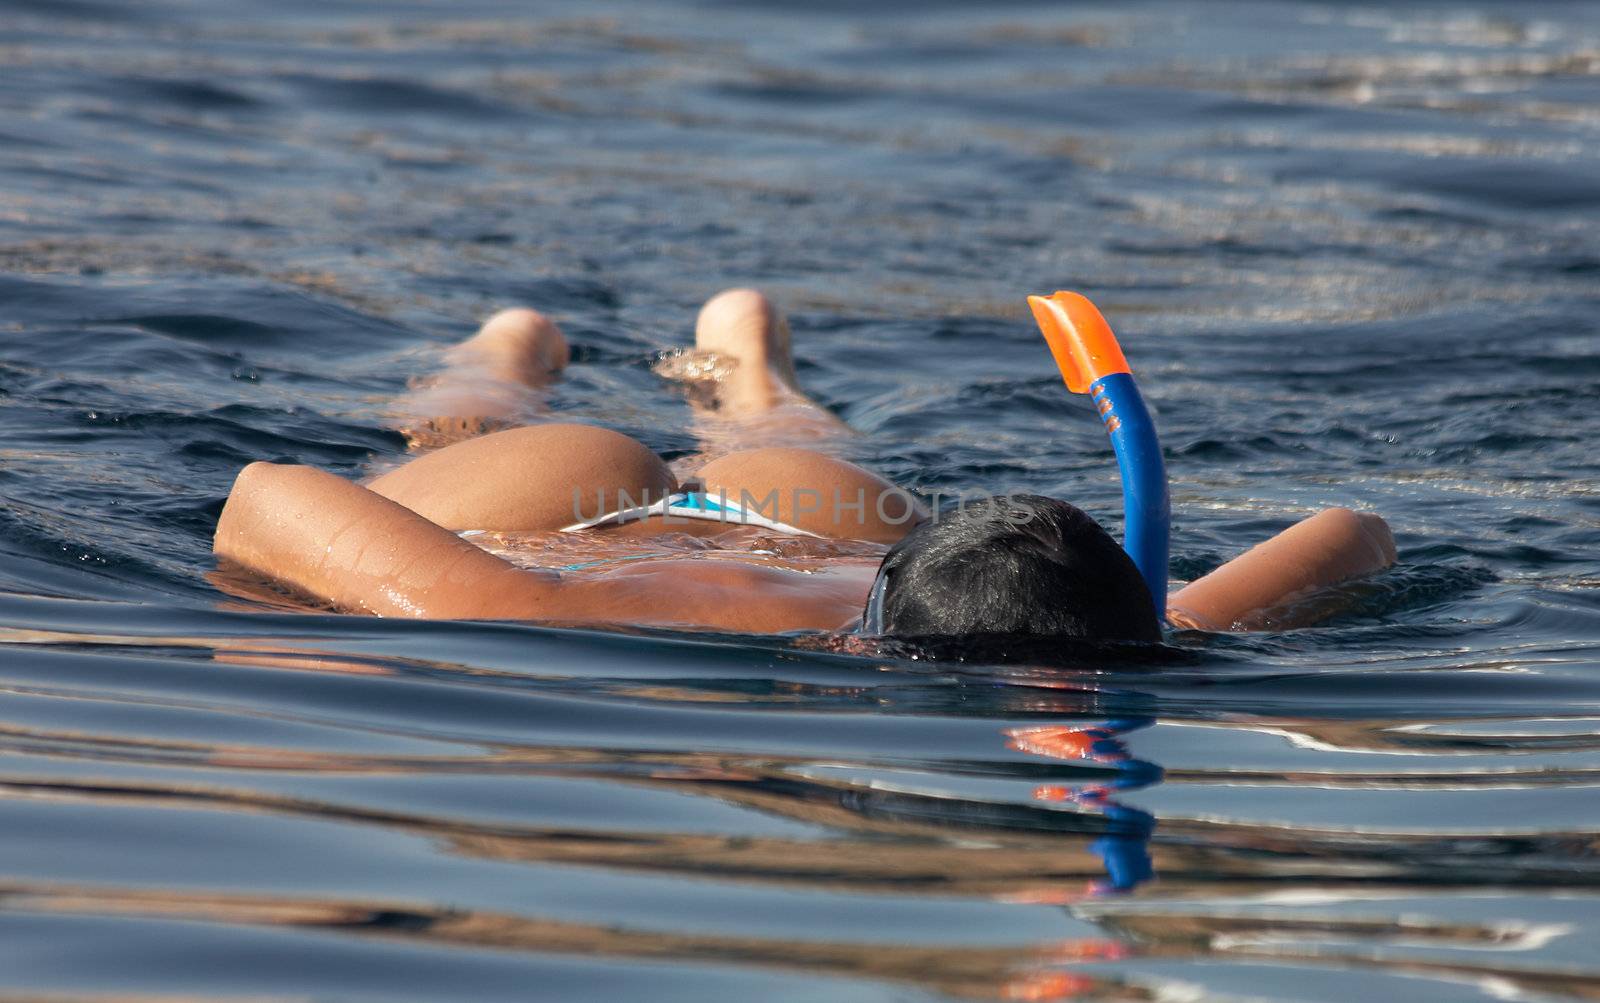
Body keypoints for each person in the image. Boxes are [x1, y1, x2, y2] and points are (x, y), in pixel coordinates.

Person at [212, 289, 1396, 639]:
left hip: (809, 530)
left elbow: (1351, 527)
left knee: (471, 439)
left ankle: (692, 353)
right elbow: (262, 500)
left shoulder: (1143, 611)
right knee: (467, 450)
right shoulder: (1119, 627)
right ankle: (527, 348)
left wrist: (1166, 620)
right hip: (583, 544)